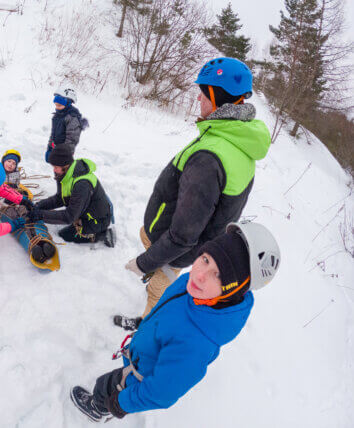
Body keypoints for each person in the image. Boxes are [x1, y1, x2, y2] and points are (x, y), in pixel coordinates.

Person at [114, 57, 271, 331]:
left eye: (203, 91)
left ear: (217, 96)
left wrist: (143, 263)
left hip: (177, 250)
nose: (198, 97)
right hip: (181, 241)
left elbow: (183, 236)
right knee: (147, 242)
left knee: (158, 291)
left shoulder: (211, 158)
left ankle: (146, 328)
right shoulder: (234, 136)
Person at [71, 222, 281, 423]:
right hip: (141, 355)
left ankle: (97, 408)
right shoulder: (191, 287)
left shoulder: (196, 343)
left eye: (217, 275)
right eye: (206, 259)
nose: (199, 275)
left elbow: (160, 393)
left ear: (233, 290)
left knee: (103, 388)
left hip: (137, 376)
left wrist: (121, 403)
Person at [29, 145, 115, 247]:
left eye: (56, 167)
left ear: (65, 166)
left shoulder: (82, 184)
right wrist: (40, 205)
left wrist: (40, 215)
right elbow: (60, 198)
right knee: (65, 227)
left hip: (95, 220)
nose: (54, 170)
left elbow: (69, 216)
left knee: (64, 236)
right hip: (84, 210)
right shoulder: (66, 174)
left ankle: (101, 234)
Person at [44, 87, 88, 162]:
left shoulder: (72, 118)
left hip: (64, 152)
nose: (57, 107)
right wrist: (50, 147)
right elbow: (53, 133)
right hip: (55, 148)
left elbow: (72, 139)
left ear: (68, 103)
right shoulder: (57, 116)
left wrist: (64, 154)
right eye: (56, 105)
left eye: (60, 105)